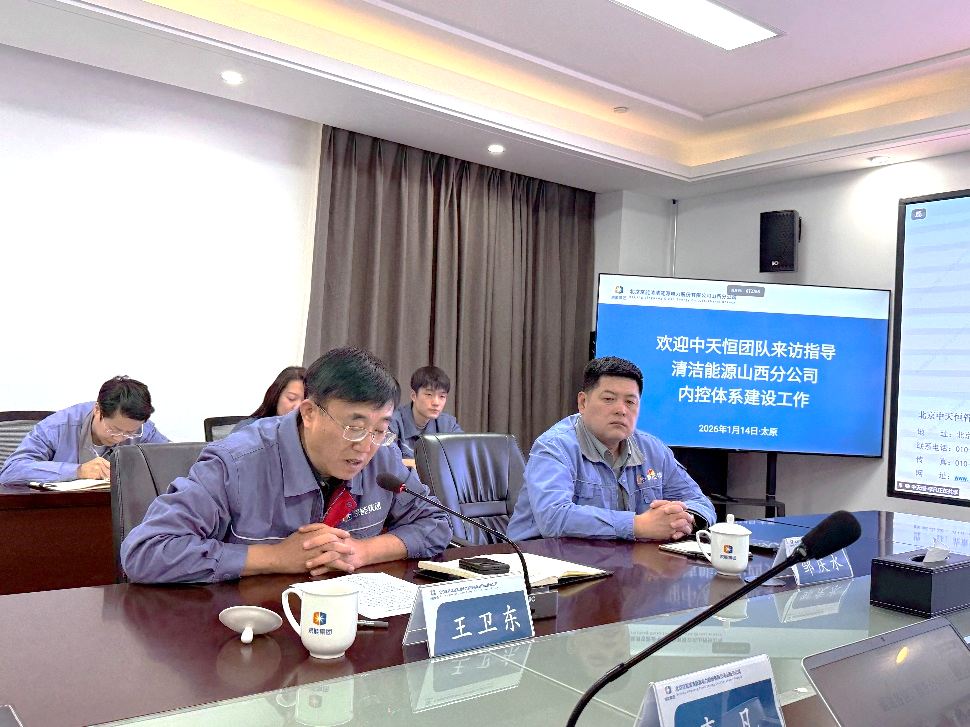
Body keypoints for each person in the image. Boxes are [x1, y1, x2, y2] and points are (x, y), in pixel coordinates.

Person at [121, 347, 452, 584]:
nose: (366, 447)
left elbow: (437, 522)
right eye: (354, 426)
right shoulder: (237, 463)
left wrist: (362, 551)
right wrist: (276, 557)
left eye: (379, 430)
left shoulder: (383, 457)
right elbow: (146, 552)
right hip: (246, 632)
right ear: (309, 413)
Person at [507, 356, 716, 542]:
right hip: (542, 561)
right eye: (609, 399)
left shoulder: (653, 450)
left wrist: (685, 520)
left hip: (619, 563)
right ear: (583, 402)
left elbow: (699, 502)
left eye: (630, 402)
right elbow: (553, 518)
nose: (621, 410)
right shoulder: (555, 447)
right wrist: (638, 525)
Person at [0, 376, 168, 485]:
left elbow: (174, 462)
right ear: (97, 410)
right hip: (60, 511)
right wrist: (78, 471)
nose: (121, 438)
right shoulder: (58, 426)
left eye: (130, 433)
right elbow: (10, 471)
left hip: (119, 511)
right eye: (114, 430)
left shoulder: (144, 429)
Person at [389, 365, 463, 459]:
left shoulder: (448, 425)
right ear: (413, 396)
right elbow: (388, 461)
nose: (436, 403)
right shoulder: (393, 422)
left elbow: (463, 455)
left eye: (442, 396)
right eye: (429, 394)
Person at [231, 366, 306, 433]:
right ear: (276, 395)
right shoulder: (250, 428)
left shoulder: (306, 434)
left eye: (305, 401)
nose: (298, 407)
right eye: (291, 398)